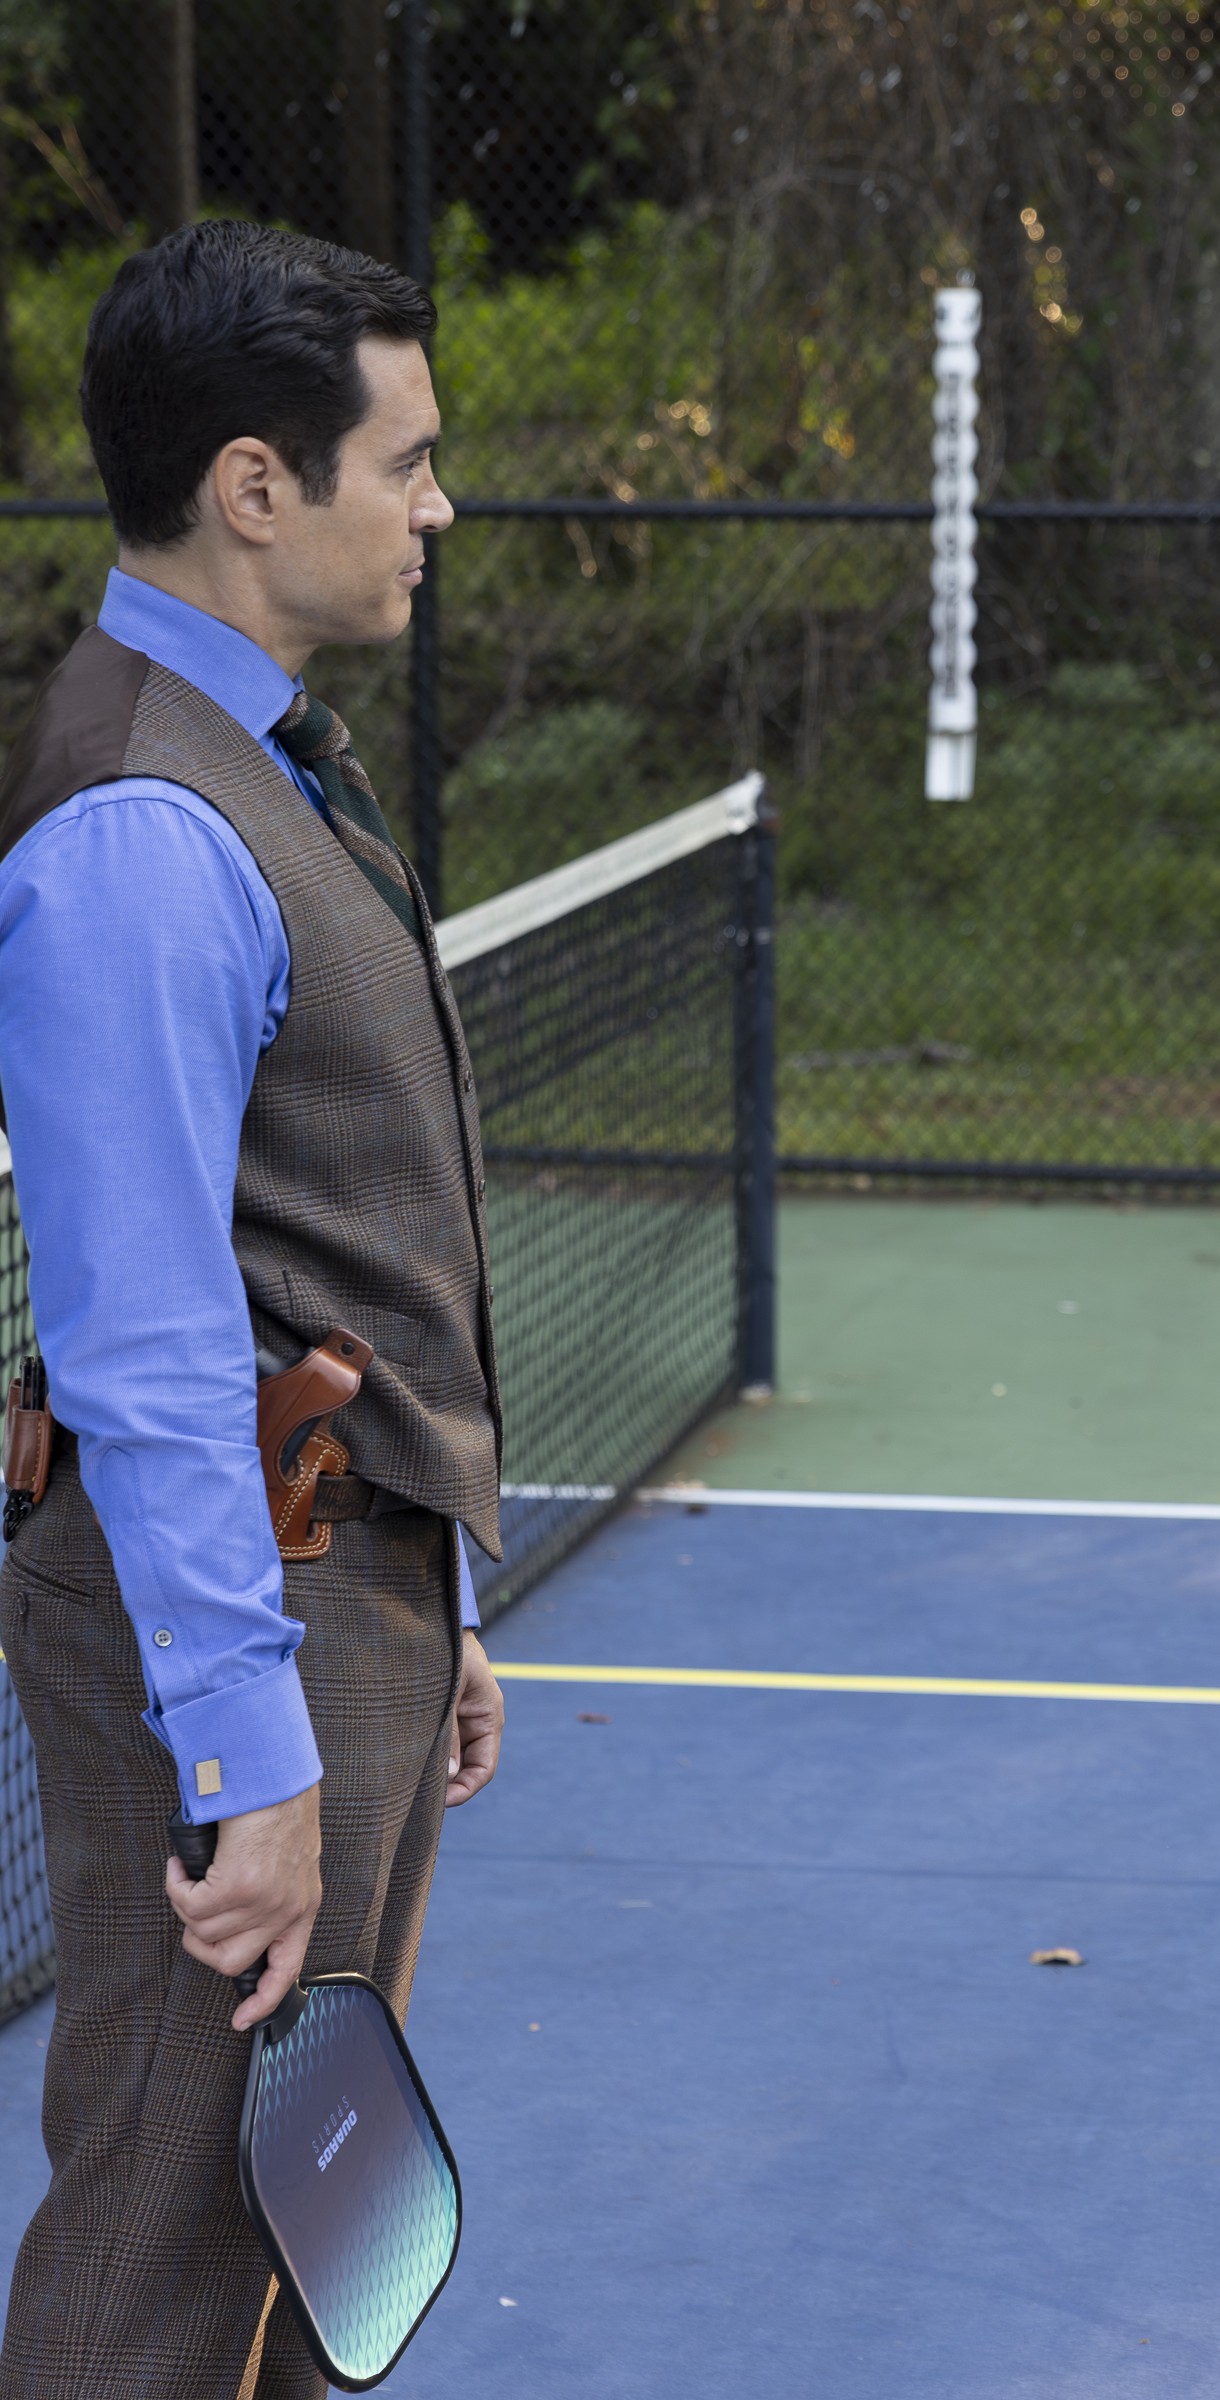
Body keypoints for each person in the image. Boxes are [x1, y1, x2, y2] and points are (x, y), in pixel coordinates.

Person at [0, 220, 506, 2398]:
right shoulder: (144, 831)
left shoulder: (261, 754)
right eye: (407, 461)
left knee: (299, 2219)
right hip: (241, 1628)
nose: (438, 506)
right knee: (170, 2235)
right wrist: (246, 1747)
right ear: (252, 487)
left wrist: (433, 1586)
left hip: (335, 1595)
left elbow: (306, 1251)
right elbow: (145, 1350)